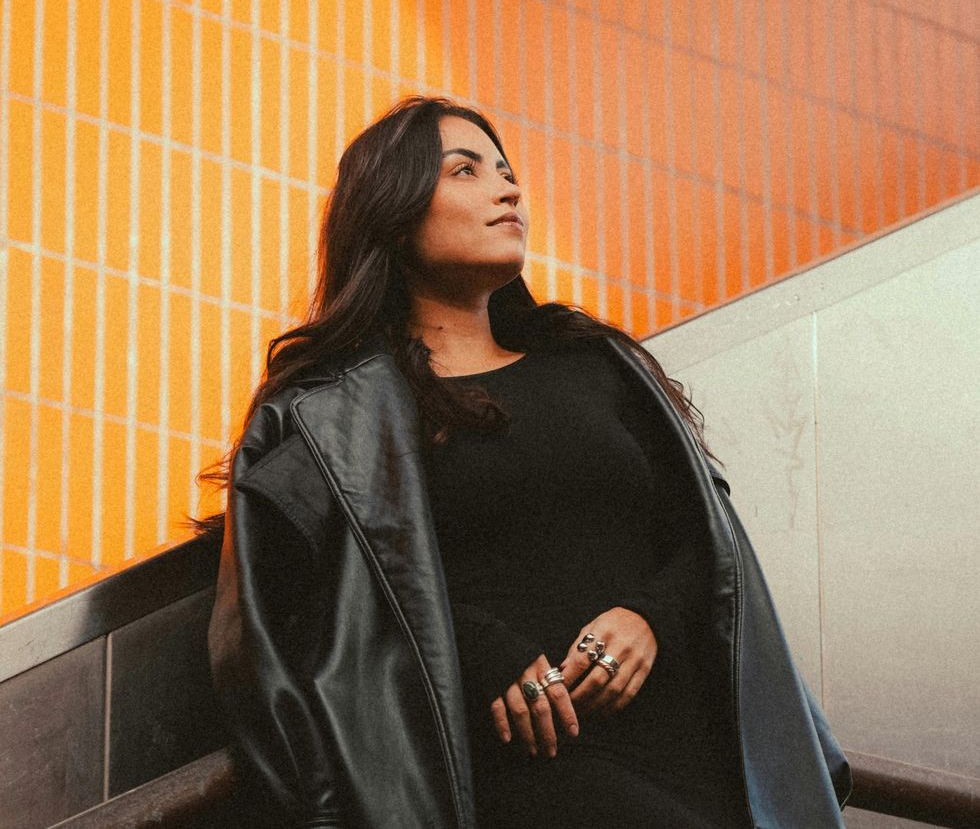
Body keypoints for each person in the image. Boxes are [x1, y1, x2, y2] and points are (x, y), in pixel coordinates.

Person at [204, 95, 851, 828]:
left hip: (691, 751)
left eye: (507, 173)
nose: (508, 189)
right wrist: (473, 646)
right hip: (514, 773)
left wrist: (650, 617)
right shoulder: (335, 413)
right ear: (394, 210)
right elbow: (302, 607)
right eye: (466, 171)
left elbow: (706, 538)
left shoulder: (594, 366)